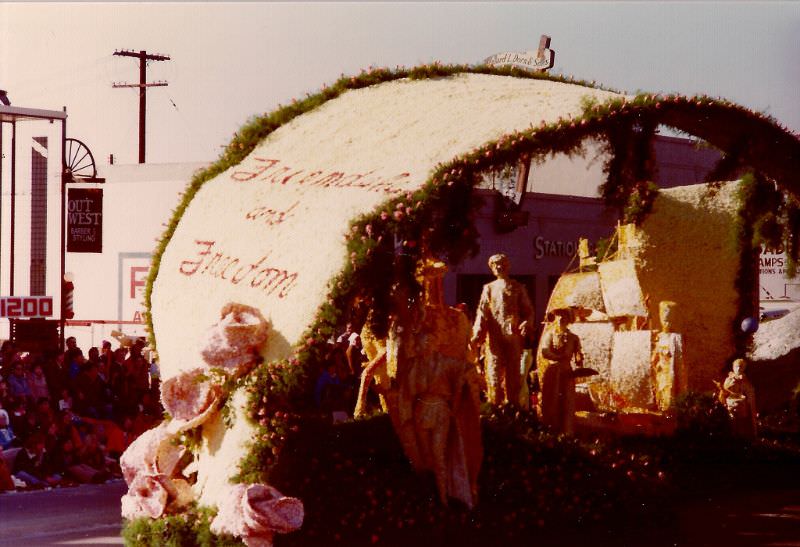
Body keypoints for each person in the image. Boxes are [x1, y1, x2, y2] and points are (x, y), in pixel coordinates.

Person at [470, 253, 534, 406]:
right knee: (494, 374)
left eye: (501, 263)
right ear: (492, 269)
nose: (499, 267)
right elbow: (482, 312)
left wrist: (527, 322)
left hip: (513, 337)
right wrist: (477, 334)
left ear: (508, 266)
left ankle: (512, 409)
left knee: (513, 376)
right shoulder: (489, 288)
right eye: (495, 265)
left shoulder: (517, 287)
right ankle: (494, 409)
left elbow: (528, 310)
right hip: (494, 338)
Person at [538, 308, 583, 434]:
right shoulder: (550, 335)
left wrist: (579, 359)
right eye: (558, 317)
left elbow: (578, 356)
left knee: (567, 400)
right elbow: (544, 351)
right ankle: (550, 430)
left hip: (567, 372)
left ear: (569, 320)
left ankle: (567, 432)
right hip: (553, 371)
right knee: (552, 400)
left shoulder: (574, 338)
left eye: (564, 317)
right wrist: (556, 357)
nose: (561, 319)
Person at [717, 358, 757, 438]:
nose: (738, 369)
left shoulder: (745, 380)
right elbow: (725, 390)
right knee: (732, 421)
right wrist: (732, 383)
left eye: (741, 367)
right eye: (737, 367)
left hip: (742, 405)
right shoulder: (729, 379)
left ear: (744, 368)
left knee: (741, 422)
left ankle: (742, 436)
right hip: (730, 403)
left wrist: (744, 386)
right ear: (733, 368)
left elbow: (750, 391)